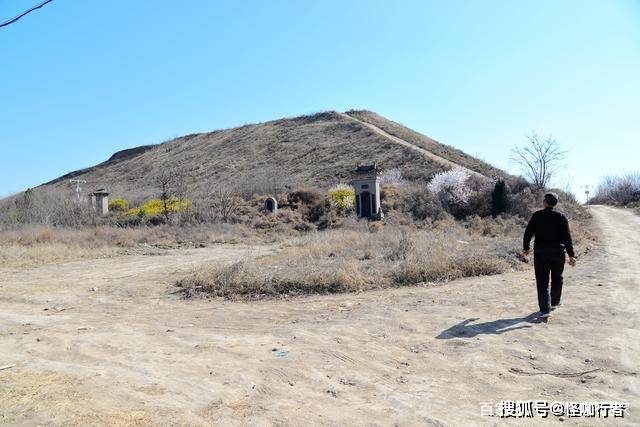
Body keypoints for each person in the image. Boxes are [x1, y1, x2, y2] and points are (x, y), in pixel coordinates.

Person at [523, 192, 577, 319]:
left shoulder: (537, 215)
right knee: (557, 278)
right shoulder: (561, 217)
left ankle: (545, 309)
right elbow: (567, 238)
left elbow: (528, 233)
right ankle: (554, 302)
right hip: (558, 253)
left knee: (542, 281)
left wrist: (526, 248)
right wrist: (571, 255)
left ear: (545, 202)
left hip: (540, 253)